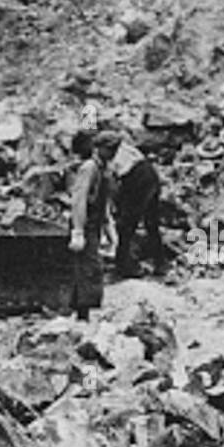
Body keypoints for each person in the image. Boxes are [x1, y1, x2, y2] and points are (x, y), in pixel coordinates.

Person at [95, 130, 164, 277]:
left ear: (108, 148)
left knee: (126, 225)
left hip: (140, 181)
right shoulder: (125, 150)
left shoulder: (117, 162)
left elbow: (115, 187)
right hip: (150, 177)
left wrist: (117, 208)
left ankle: (125, 266)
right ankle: (160, 263)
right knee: (151, 223)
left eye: (100, 149)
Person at [68, 130, 109, 321]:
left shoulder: (100, 168)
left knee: (87, 266)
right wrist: (78, 230)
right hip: (86, 222)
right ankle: (83, 314)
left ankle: (82, 312)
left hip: (94, 222)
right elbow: (79, 199)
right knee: (88, 267)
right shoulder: (89, 168)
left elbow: (102, 201)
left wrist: (109, 227)